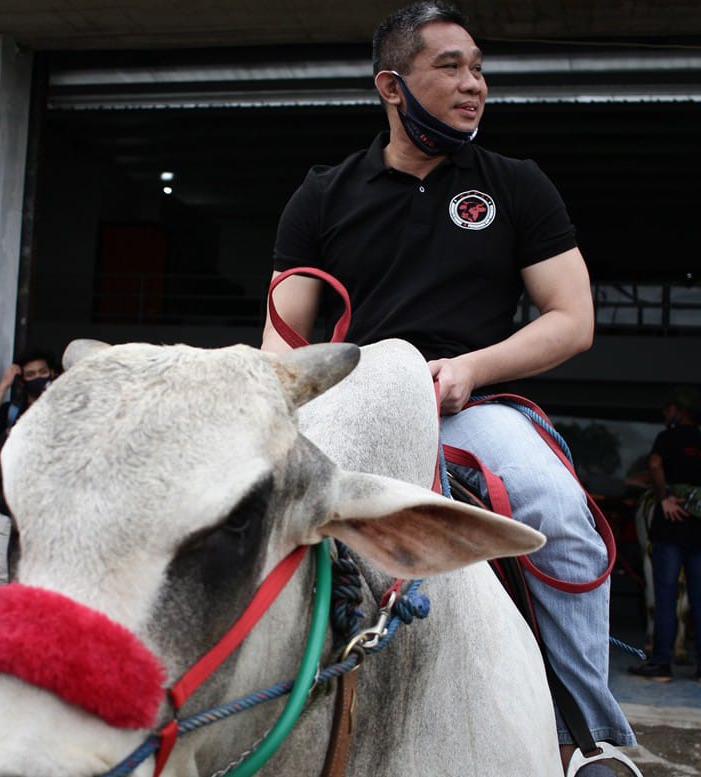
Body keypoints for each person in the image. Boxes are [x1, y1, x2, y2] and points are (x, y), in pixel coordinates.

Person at [261, 2, 635, 772]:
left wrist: (472, 369)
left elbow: (572, 319)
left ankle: (590, 737)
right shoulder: (323, 196)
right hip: (353, 406)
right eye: (451, 67)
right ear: (392, 86)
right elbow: (282, 340)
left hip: (473, 407)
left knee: (560, 515)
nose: (475, 85)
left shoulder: (517, 186)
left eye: (478, 67)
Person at [629, 386, 701, 682]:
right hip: (699, 527)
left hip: (670, 526)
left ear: (679, 411)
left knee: (666, 593)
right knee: (699, 597)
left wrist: (665, 497)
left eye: (668, 408)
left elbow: (655, 464)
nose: (665, 414)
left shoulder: (667, 438)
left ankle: (661, 663)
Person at [0, 347, 56, 587]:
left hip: (47, 512)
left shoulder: (62, 411)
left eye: (43, 372)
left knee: (43, 581)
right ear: (21, 381)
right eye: (31, 375)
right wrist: (3, 385)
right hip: (8, 509)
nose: (38, 378)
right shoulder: (12, 412)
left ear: (52, 374)